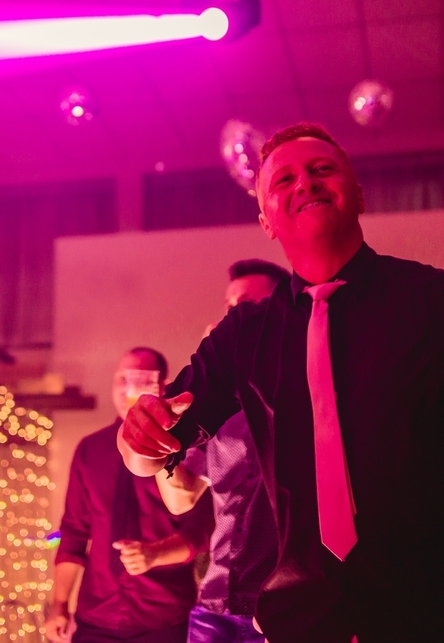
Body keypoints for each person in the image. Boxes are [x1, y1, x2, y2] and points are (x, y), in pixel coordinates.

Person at [119, 122, 444, 643]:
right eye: (283, 180)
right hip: (301, 621)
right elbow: (164, 438)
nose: (304, 183)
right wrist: (138, 440)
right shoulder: (244, 333)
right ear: (266, 221)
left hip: (437, 618)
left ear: (358, 193)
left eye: (322, 169)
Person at [157, 259, 288, 643]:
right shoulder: (217, 407)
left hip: (284, 603)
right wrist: (158, 442)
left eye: (244, 303)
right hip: (217, 602)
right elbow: (181, 498)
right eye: (228, 306)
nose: (232, 314)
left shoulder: (304, 392)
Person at [45, 347, 213, 643]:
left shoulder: (189, 446)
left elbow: (202, 530)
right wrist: (59, 603)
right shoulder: (90, 449)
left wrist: (155, 554)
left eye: (139, 380)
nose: (127, 389)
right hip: (96, 614)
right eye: (121, 379)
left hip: (163, 616)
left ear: (162, 386)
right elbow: (74, 531)